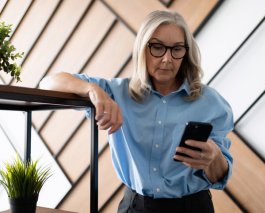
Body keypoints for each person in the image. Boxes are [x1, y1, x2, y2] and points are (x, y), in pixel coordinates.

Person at [40, 10, 233, 213]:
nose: (167, 59)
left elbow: (220, 177)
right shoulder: (116, 92)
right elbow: (48, 83)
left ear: (186, 52)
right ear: (142, 48)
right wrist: (93, 90)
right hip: (135, 207)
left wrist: (215, 157)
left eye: (177, 49)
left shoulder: (212, 103)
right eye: (157, 47)